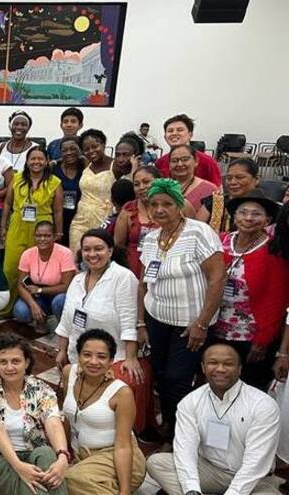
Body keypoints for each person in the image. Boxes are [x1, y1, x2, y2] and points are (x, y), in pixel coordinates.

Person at [138, 178, 225, 440]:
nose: (160, 210)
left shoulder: (199, 232)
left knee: (179, 378)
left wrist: (201, 323)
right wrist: (141, 323)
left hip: (190, 323)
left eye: (166, 204)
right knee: (161, 375)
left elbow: (217, 279)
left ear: (179, 205)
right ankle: (168, 425)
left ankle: (181, 434)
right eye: (154, 205)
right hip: (157, 319)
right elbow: (143, 283)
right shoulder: (152, 238)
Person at [147, 343, 282, 495]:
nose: (220, 369)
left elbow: (256, 463)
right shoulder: (191, 402)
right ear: (203, 368)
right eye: (213, 363)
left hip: (254, 481)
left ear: (240, 369)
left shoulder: (262, 405)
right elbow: (186, 450)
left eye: (228, 364)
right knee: (156, 463)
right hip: (210, 471)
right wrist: (192, 490)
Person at [55, 229, 152, 433]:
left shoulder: (123, 278)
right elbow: (66, 320)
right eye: (87, 250)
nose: (92, 254)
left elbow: (129, 320)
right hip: (79, 354)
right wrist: (62, 350)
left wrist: (131, 358)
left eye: (98, 249)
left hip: (113, 355)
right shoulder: (78, 279)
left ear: (110, 251)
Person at [0, 332, 69, 495]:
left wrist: (62, 457)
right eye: (3, 362)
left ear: (26, 363)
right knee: (34, 491)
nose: (9, 367)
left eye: (16, 361)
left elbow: (53, 422)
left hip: (34, 451)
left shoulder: (41, 389)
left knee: (47, 454)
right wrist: (19, 466)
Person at [214, 190, 289, 391]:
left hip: (250, 335)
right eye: (243, 212)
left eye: (256, 214)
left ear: (267, 220)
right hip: (217, 329)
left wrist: (263, 339)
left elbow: (278, 300)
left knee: (248, 389)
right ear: (234, 216)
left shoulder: (274, 250)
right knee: (218, 385)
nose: (248, 218)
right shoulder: (220, 241)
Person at [61, 330, 146, 495]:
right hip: (83, 456)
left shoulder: (121, 393)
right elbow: (66, 418)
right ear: (78, 356)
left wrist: (125, 490)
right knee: (51, 475)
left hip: (115, 456)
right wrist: (64, 453)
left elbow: (123, 445)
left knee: (68, 480)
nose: (93, 361)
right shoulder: (68, 373)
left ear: (111, 361)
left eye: (101, 357)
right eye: (87, 355)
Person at [1, 148, 64, 316]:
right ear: (27, 161)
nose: (36, 162)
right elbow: (7, 203)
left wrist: (59, 233)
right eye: (33, 159)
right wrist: (3, 226)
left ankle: (32, 307)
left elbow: (58, 210)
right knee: (10, 268)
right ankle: (7, 307)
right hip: (17, 224)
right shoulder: (17, 178)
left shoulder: (54, 182)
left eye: (40, 159)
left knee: (34, 269)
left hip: (42, 227)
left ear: (46, 161)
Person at [13, 221, 75, 334]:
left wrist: (40, 290)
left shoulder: (65, 253)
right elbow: (20, 285)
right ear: (34, 236)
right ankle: (41, 320)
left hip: (58, 293)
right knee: (20, 311)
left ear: (55, 236)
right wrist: (33, 305)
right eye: (38, 235)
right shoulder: (27, 254)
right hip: (37, 296)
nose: (42, 239)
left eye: (47, 236)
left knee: (60, 301)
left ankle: (65, 329)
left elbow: (67, 286)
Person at [68, 129, 115, 253]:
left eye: (95, 146)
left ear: (104, 144)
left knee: (97, 260)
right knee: (76, 260)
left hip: (103, 221)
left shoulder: (115, 166)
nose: (91, 151)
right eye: (86, 149)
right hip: (80, 222)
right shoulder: (86, 165)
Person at [114, 166, 161, 277]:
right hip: (133, 269)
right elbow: (119, 245)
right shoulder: (128, 210)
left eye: (146, 182)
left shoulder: (176, 206)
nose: (141, 187)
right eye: (136, 184)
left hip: (163, 266)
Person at [155, 114, 222, 186]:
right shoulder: (160, 163)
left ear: (190, 135)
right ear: (165, 137)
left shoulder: (207, 162)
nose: (174, 133)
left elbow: (217, 192)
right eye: (170, 131)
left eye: (180, 130)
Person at [197, 157, 260, 232]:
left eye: (239, 177)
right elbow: (196, 232)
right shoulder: (213, 202)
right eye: (229, 178)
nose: (233, 182)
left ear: (256, 179)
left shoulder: (265, 207)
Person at [52, 136, 85, 247]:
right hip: (58, 219)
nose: (68, 153)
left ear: (80, 150)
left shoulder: (85, 169)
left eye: (73, 149)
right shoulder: (54, 170)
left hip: (80, 219)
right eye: (64, 150)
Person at [167, 144, 219, 212]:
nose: (179, 164)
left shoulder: (210, 189)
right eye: (174, 161)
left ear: (196, 161)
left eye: (184, 160)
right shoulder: (163, 187)